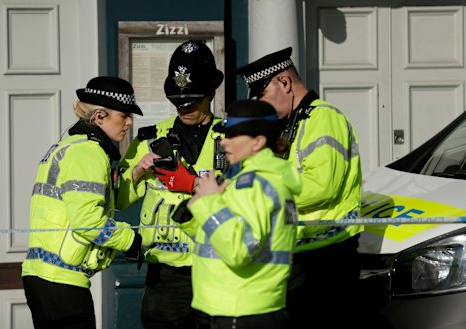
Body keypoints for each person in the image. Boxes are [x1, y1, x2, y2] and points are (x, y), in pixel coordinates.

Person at [236, 47, 363, 329]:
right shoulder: (288, 123)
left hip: (327, 258)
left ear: (285, 83)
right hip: (298, 252)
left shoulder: (324, 117)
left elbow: (323, 187)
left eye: (263, 96)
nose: (262, 106)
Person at [116, 40, 225, 329]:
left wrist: (193, 184)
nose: (185, 108)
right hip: (165, 276)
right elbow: (119, 200)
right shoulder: (150, 139)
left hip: (216, 267)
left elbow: (245, 196)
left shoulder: (230, 138)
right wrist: (138, 171)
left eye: (192, 101)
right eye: (178, 102)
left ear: (212, 93)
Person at [21, 76, 144, 329]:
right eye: (124, 115)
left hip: (46, 276)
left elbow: (111, 202)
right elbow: (87, 221)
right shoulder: (87, 152)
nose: (129, 122)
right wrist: (131, 240)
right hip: (60, 281)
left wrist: (139, 172)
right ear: (100, 116)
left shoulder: (76, 146)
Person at [171, 99, 302, 329]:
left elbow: (239, 249)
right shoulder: (243, 179)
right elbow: (216, 236)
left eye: (232, 136)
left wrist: (210, 202)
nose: (223, 142)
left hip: (241, 312)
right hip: (227, 308)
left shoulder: (258, 184)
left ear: (258, 142)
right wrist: (195, 206)